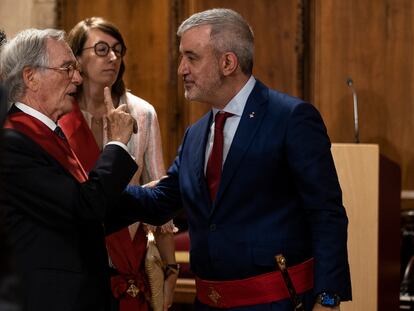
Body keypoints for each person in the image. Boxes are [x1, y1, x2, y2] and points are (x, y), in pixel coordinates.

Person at [123, 8, 352, 311]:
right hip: (207, 302)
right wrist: (92, 187)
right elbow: (160, 201)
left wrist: (328, 296)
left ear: (228, 62)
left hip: (278, 303)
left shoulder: (290, 118)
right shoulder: (196, 134)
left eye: (191, 57)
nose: (181, 69)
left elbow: (326, 212)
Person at [0, 28, 141, 311]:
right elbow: (83, 207)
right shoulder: (13, 141)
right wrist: (116, 142)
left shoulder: (46, 132)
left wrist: (163, 195)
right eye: (67, 68)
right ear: (31, 77)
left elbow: (78, 207)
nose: (77, 78)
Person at [58, 17, 178, 311]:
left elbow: (158, 195)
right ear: (77, 58)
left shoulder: (142, 112)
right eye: (101, 49)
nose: (112, 57)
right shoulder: (59, 114)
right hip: (73, 262)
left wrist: (171, 268)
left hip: (130, 259)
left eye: (117, 50)